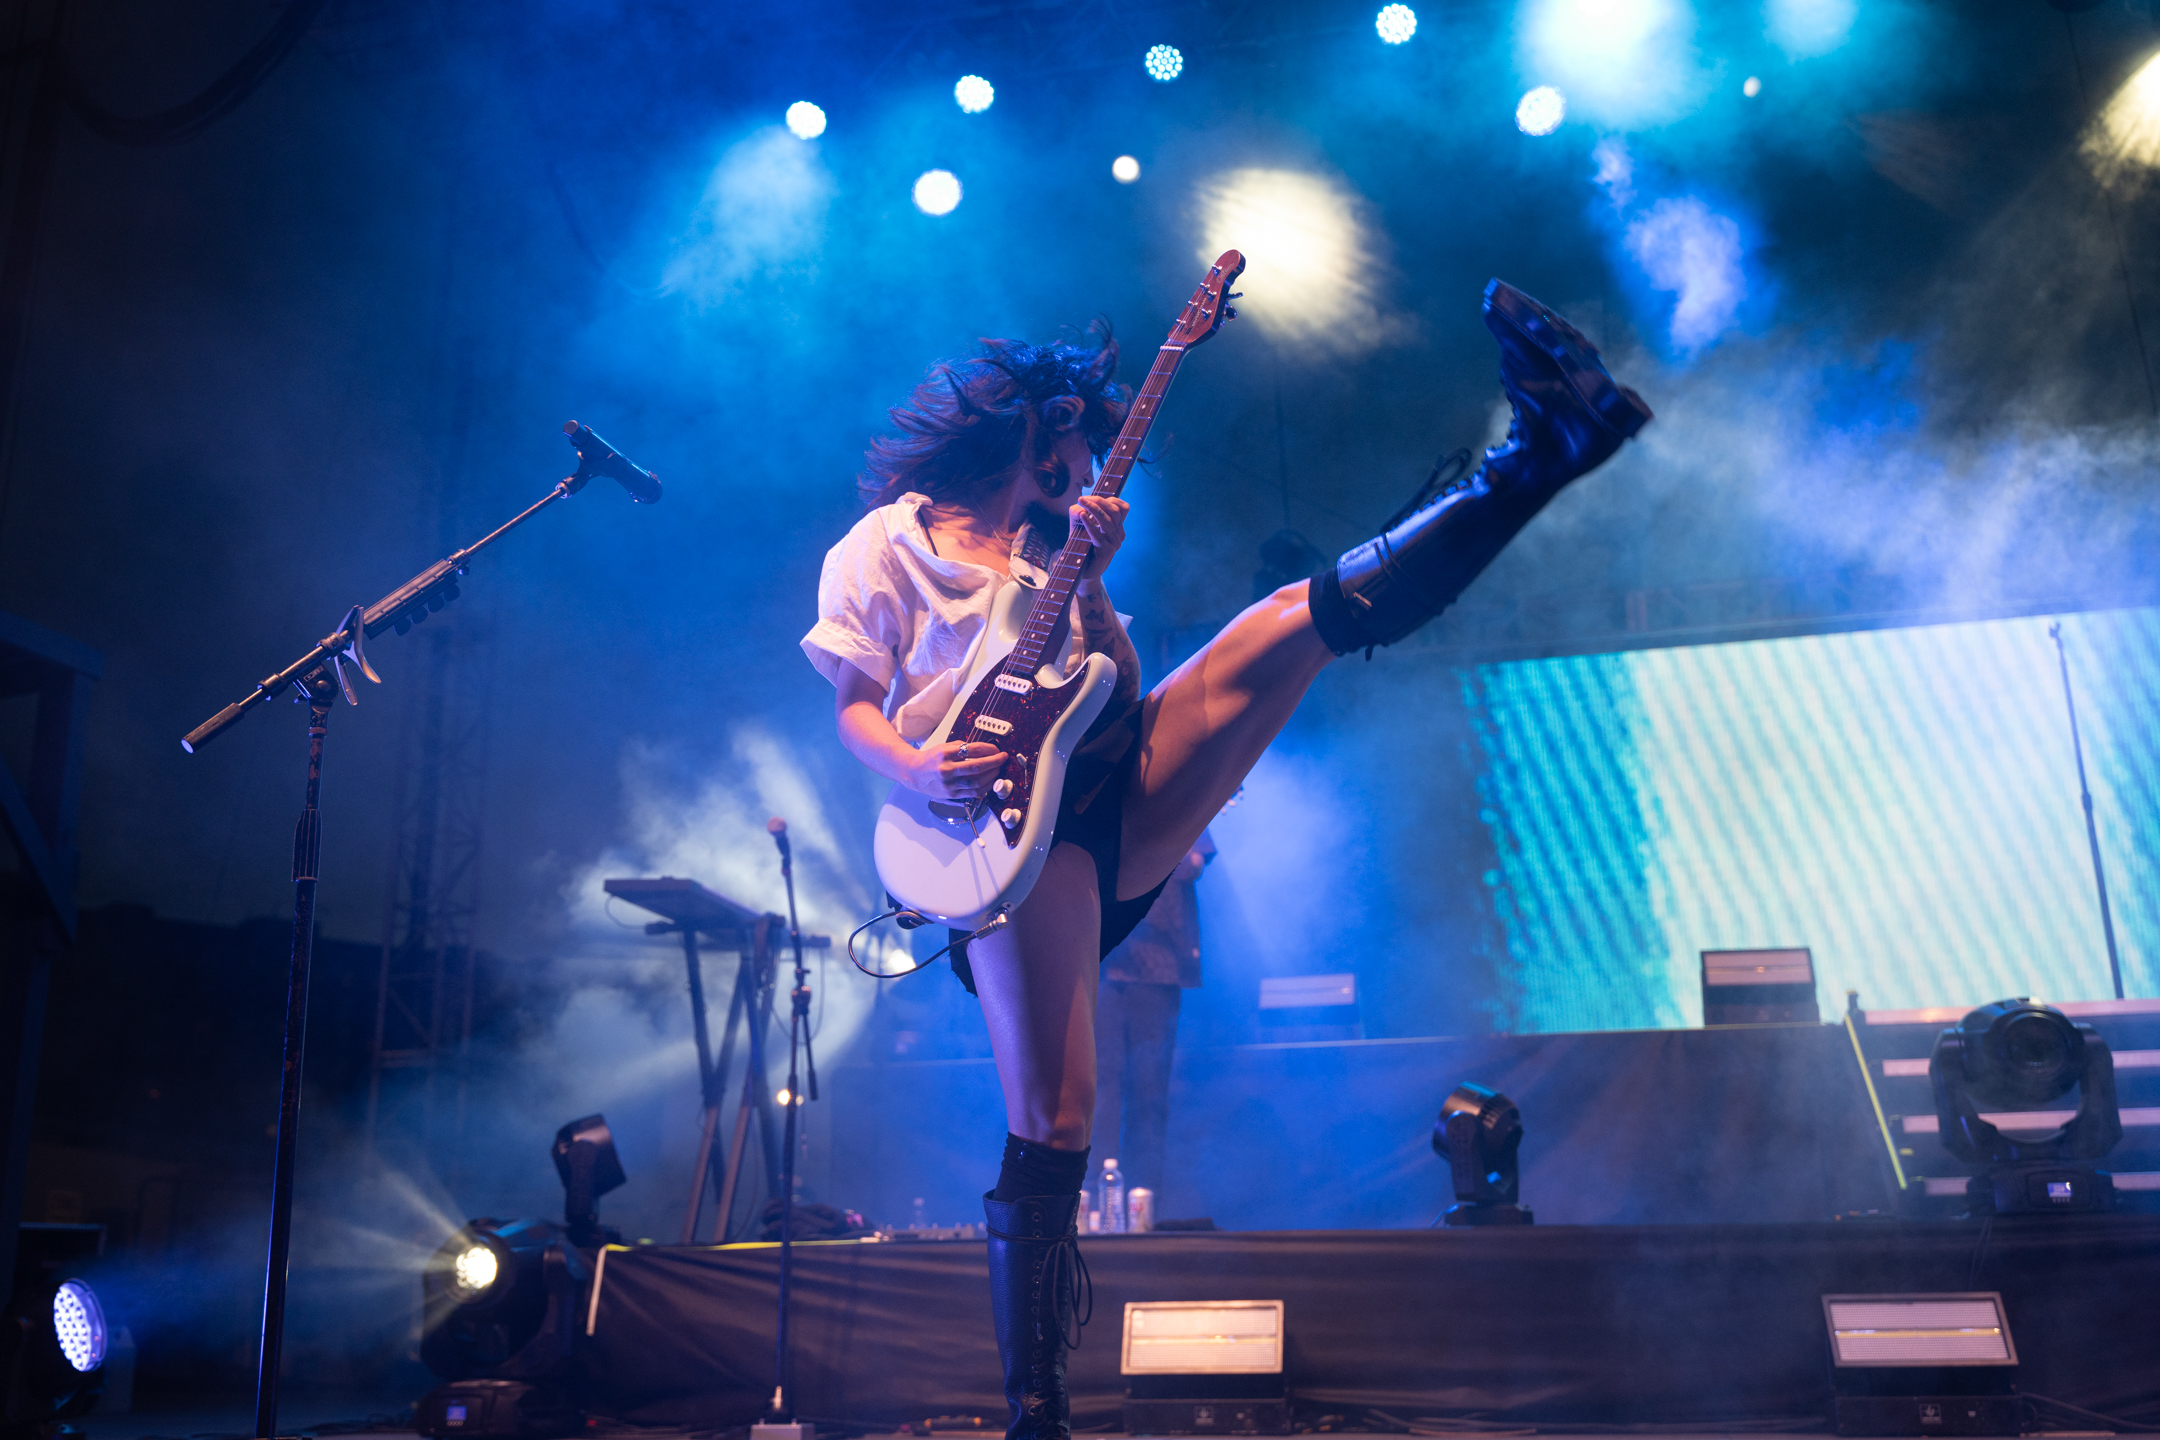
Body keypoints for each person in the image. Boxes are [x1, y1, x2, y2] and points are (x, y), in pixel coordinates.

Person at [801, 282, 1650, 1440]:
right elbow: (854, 709)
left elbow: (1113, 672)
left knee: (1290, 621)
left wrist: (1088, 577)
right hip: (993, 834)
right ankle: (1034, 1410)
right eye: (1078, 440)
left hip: (1112, 779)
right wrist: (917, 766)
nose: (1087, 461)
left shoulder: (1053, 540)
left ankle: (1542, 454)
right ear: (1034, 425)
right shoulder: (885, 545)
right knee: (1055, 1121)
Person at [1091, 828, 1214, 1213]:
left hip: (1157, 966)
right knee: (1098, 1090)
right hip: (1101, 962)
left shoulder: (1179, 790)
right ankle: (1092, 1205)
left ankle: (1145, 1204)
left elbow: (1194, 863)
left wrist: (1157, 848)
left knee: (1148, 1093)